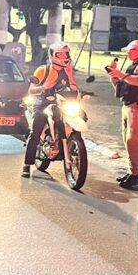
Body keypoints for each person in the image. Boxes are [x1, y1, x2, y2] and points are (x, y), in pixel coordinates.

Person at [22, 43, 78, 178]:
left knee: (78, 119)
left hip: (62, 103)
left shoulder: (68, 70)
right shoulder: (43, 70)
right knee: (36, 130)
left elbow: (74, 89)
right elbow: (31, 90)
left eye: (66, 54)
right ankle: (27, 164)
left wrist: (70, 75)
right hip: (42, 103)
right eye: (60, 54)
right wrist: (43, 87)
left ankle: (72, 148)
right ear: (53, 55)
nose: (64, 57)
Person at [107, 39, 138, 189]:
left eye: (130, 51)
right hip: (128, 105)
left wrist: (120, 74)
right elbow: (122, 85)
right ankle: (132, 172)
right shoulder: (133, 65)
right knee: (127, 141)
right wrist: (113, 75)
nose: (128, 53)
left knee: (133, 141)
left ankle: (135, 175)